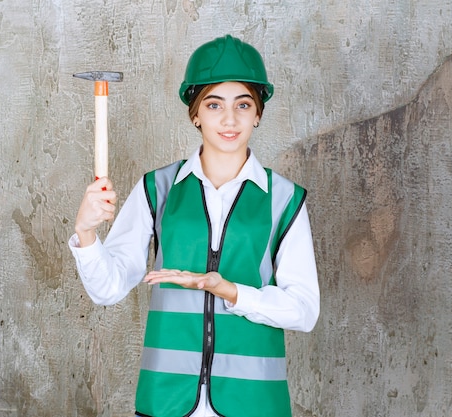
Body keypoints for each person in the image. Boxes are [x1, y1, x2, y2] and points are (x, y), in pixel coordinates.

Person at [69, 34, 320, 417]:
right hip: (166, 401)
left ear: (258, 113)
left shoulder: (284, 199)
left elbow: (304, 310)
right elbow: (109, 288)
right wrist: (86, 233)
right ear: (195, 113)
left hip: (254, 406)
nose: (230, 119)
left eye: (243, 104)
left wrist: (233, 292)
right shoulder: (158, 189)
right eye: (214, 104)